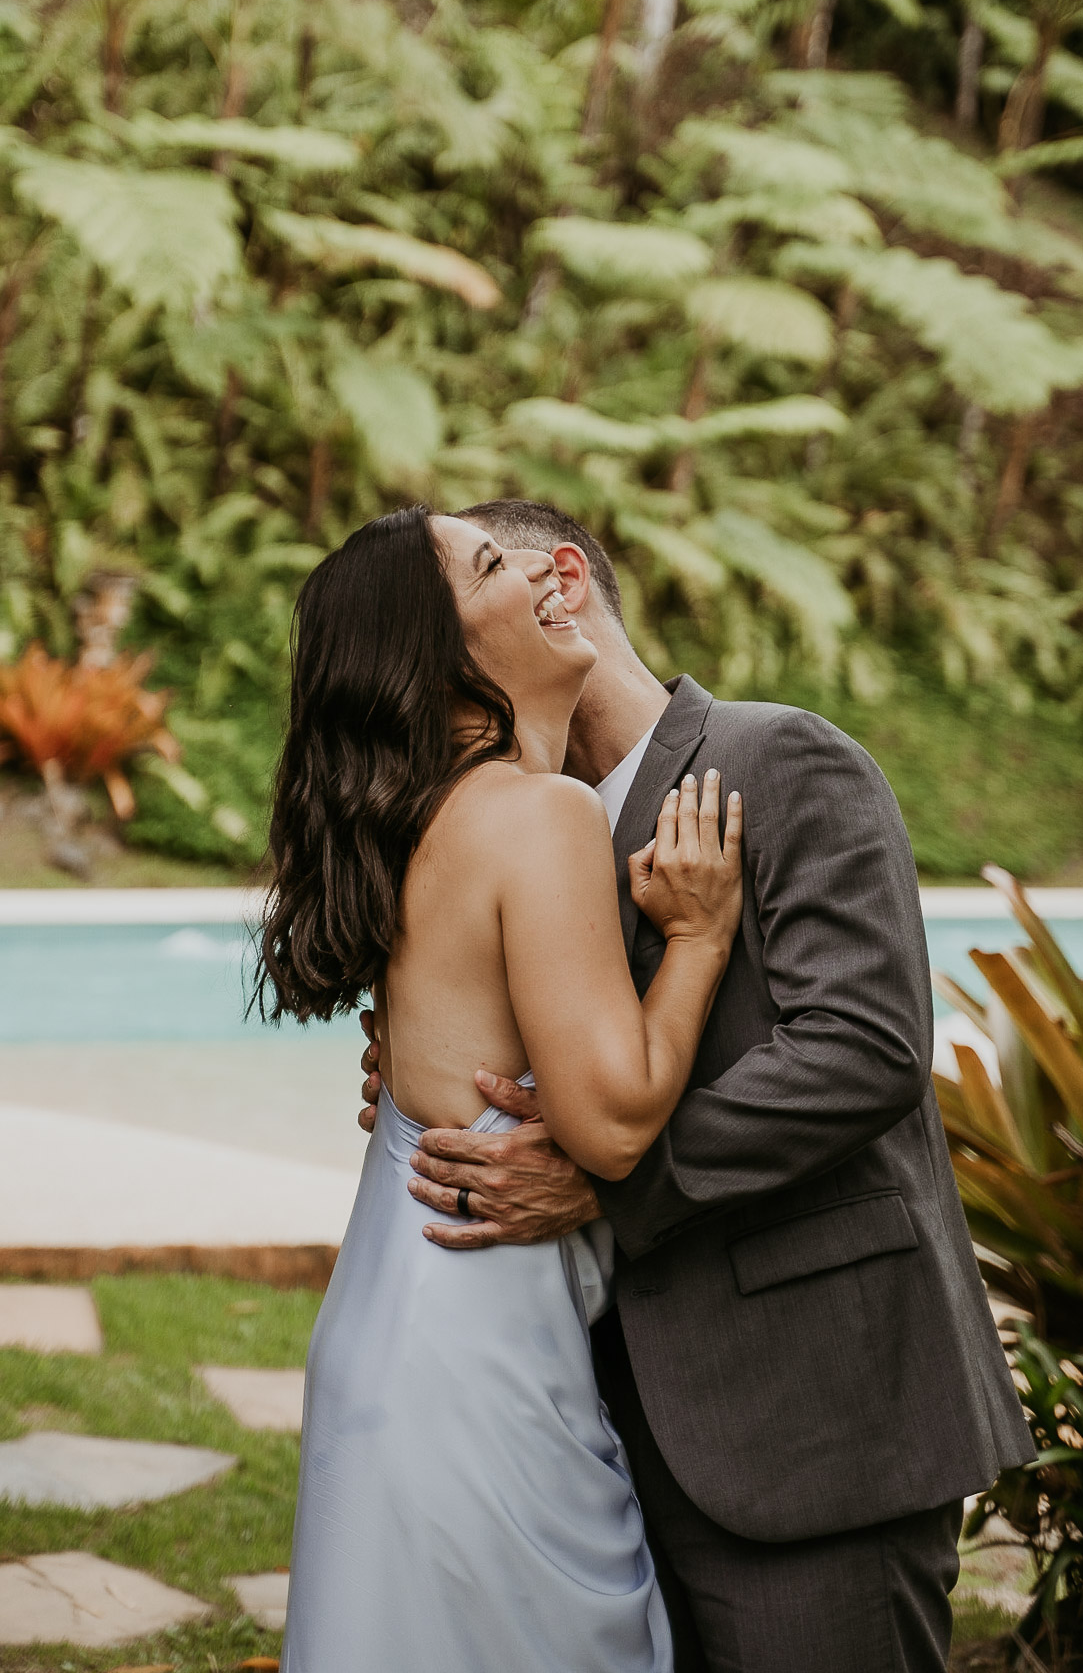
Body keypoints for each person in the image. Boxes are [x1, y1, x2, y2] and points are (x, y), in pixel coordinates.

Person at [358, 497, 1036, 1673]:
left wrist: (603, 1183)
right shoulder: (505, 829)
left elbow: (863, 1047)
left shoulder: (783, 761)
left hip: (813, 1423)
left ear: (558, 585)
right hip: (596, 1435)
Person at [256, 504, 746, 1673]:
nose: (540, 566)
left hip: (397, 1338)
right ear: (443, 659)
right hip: (474, 1371)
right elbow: (616, 1121)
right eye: (490, 564)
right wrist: (701, 938)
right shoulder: (541, 815)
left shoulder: (424, 823)